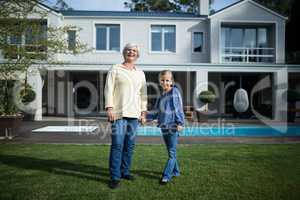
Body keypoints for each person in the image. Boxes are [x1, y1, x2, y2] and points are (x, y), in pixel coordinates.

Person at [104, 43, 147, 189]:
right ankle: (115, 176)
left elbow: (143, 94)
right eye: (129, 50)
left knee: (130, 145)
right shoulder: (115, 69)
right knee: (117, 145)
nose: (131, 52)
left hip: (134, 115)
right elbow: (108, 89)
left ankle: (125, 171)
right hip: (118, 114)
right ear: (124, 52)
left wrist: (143, 112)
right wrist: (109, 108)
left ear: (137, 55)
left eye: (134, 51)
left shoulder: (140, 73)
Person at [147, 70, 185, 184]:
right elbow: (155, 112)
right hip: (163, 127)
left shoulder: (174, 92)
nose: (165, 82)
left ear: (171, 81)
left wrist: (180, 123)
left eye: (167, 80)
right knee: (170, 152)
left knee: (172, 153)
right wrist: (144, 117)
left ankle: (166, 175)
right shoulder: (161, 96)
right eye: (163, 80)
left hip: (173, 126)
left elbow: (178, 108)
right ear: (160, 82)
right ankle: (176, 172)